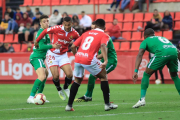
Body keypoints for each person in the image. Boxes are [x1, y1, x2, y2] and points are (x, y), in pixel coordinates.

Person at [65, 19, 118, 111]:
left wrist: (77, 56)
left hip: (78, 58)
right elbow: (103, 46)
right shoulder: (104, 35)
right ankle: (107, 104)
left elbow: (73, 46)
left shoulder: (86, 33)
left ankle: (69, 106)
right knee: (103, 76)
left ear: (95, 27)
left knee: (77, 80)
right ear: (104, 28)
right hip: (89, 59)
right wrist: (105, 61)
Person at [132, 28, 180, 108]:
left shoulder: (146, 41)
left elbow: (140, 54)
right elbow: (177, 50)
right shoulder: (162, 38)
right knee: (175, 76)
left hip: (162, 52)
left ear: (145, 36)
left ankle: (142, 99)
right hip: (174, 51)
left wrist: (136, 70)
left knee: (146, 74)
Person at [35, 17, 80, 101]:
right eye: (65, 25)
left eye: (69, 25)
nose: (67, 27)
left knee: (70, 75)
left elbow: (80, 41)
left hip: (63, 55)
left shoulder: (74, 33)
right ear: (63, 23)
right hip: (52, 54)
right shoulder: (57, 28)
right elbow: (45, 31)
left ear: (72, 24)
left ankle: (66, 87)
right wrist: (37, 41)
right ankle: (59, 89)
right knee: (55, 76)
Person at [27, 15, 61, 104]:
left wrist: (54, 46)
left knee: (45, 74)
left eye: (47, 21)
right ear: (40, 23)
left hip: (40, 57)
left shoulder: (46, 33)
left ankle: (40, 95)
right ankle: (31, 97)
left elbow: (46, 46)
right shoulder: (41, 32)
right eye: (44, 21)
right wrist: (52, 46)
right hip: (36, 57)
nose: (46, 23)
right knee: (42, 76)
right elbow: (41, 46)